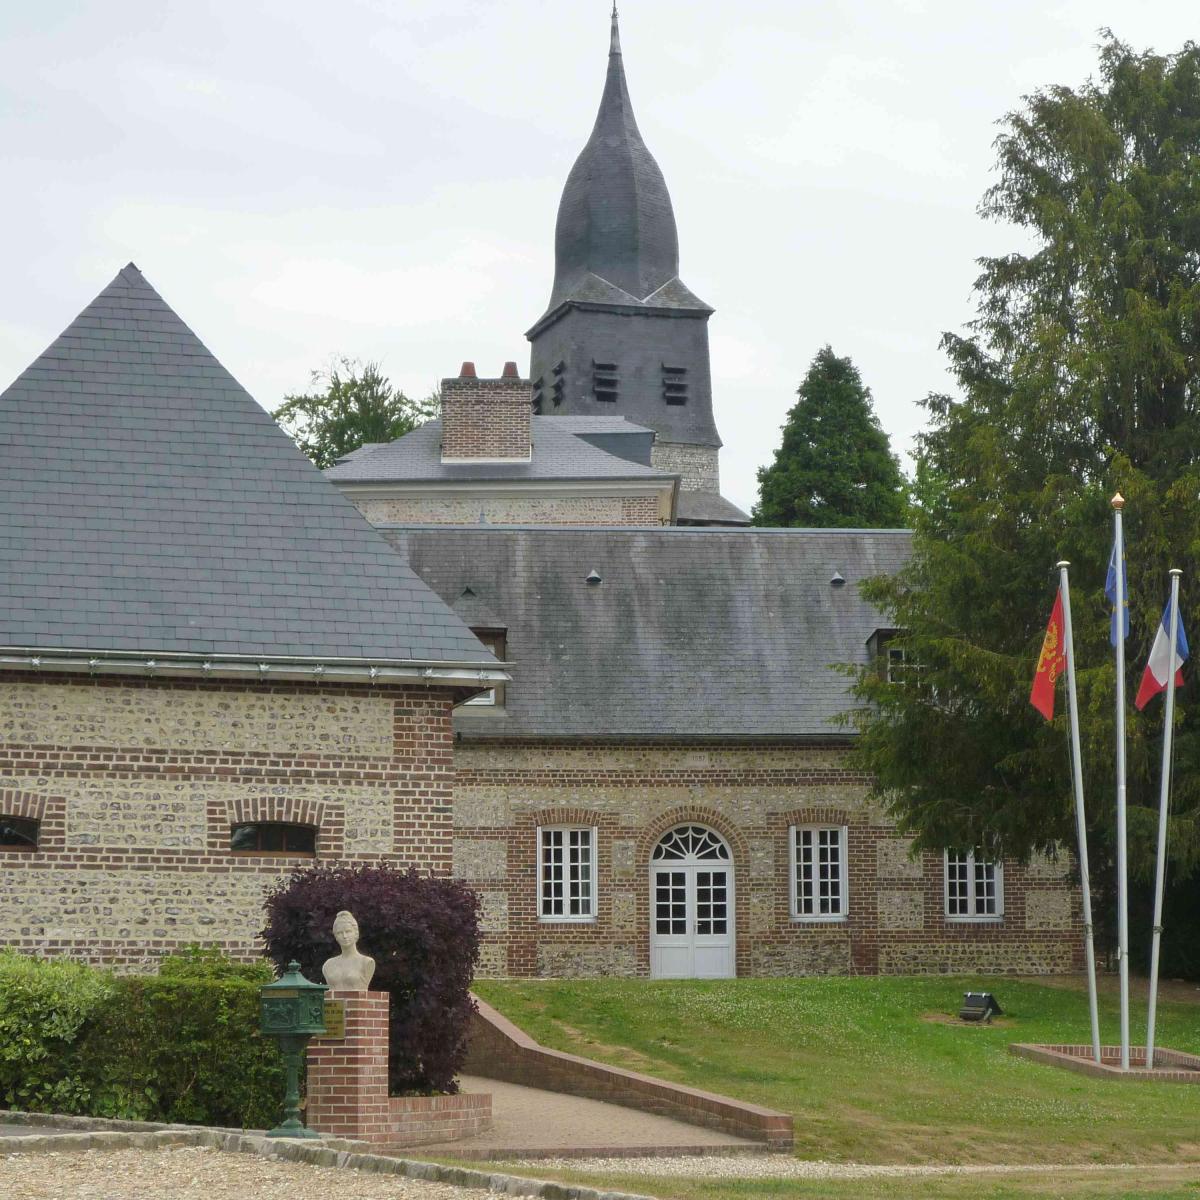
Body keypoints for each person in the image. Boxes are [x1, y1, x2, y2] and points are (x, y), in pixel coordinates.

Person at [321, 910, 375, 991]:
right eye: (339, 933)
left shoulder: (366, 962)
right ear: (336, 936)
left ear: (356, 933)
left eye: (348, 931)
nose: (344, 936)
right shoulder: (328, 965)